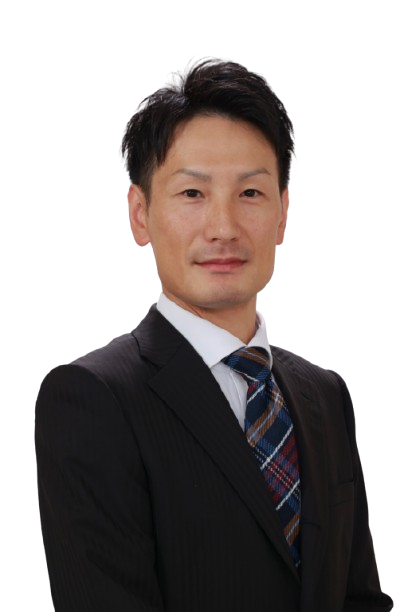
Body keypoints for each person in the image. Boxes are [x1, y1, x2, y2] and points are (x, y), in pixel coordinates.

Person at [35, 57, 393, 611]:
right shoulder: (92, 398)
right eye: (192, 194)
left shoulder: (325, 395)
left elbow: (358, 599)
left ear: (283, 212)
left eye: (250, 193)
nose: (224, 228)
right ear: (139, 213)